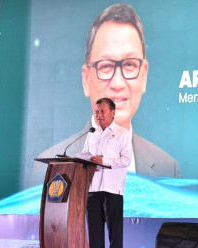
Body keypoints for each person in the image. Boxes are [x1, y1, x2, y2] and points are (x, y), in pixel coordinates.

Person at [31, 3, 179, 187]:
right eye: (106, 66)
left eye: (129, 65)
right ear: (86, 79)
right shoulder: (49, 163)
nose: (118, 83)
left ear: (144, 76)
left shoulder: (167, 168)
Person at [76, 97, 132, 248]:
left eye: (102, 112)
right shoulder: (92, 134)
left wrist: (104, 160)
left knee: (114, 232)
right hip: (92, 189)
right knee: (94, 230)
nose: (99, 115)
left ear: (113, 113)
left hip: (112, 189)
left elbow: (126, 160)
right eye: (96, 112)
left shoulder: (123, 134)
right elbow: (85, 153)